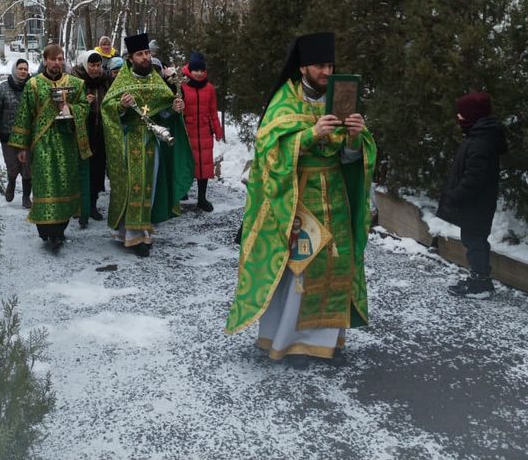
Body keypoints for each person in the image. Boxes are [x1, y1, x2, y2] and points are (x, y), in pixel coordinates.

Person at [226, 32, 376, 363]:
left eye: (331, 65)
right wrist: (310, 134)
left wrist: (355, 138)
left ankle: (325, 342)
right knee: (299, 270)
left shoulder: (341, 98)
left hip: (335, 195)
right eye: (320, 66)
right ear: (304, 67)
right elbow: (268, 152)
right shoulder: (285, 100)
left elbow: (350, 157)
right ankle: (289, 341)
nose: (327, 72)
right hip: (297, 198)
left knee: (336, 263)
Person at [101, 33, 194, 257]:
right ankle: (132, 235)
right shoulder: (123, 81)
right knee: (133, 187)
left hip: (152, 142)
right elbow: (107, 108)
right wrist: (121, 106)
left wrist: (174, 109)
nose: (145, 58)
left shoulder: (156, 80)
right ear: (131, 58)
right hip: (129, 140)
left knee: (149, 186)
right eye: (140, 54)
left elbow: (163, 112)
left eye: (147, 53)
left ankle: (143, 229)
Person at [9, 44, 92, 249]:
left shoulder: (75, 84)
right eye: (53, 59)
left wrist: (69, 108)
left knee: (64, 184)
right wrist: (22, 147)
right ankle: (46, 232)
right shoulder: (33, 84)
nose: (57, 63)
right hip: (42, 142)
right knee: (46, 185)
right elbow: (24, 116)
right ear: (45, 60)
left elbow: (84, 108)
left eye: (60, 59)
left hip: (67, 143)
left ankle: (59, 231)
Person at [438, 91, 508, 299]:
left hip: (476, 204)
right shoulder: (478, 136)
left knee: (474, 240)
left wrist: (455, 195)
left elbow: (474, 177)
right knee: (473, 239)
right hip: (476, 203)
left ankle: (480, 283)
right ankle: (479, 278)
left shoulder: (481, 142)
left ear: (473, 115)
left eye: (462, 113)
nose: (458, 117)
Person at [180, 51, 224, 213]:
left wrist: (218, 130)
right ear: (189, 70)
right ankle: (182, 191)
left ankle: (202, 198)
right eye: (195, 70)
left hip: (205, 132)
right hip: (188, 131)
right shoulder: (182, 86)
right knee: (186, 164)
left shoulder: (209, 88)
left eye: (201, 70)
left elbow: (213, 111)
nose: (199, 73)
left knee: (204, 166)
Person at [0, 58, 33, 209]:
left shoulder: (32, 87)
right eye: (20, 68)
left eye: (25, 69)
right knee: (12, 166)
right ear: (14, 69)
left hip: (28, 136)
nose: (23, 71)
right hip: (8, 136)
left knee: (27, 168)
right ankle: (11, 182)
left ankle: (26, 197)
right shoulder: (3, 88)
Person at [73, 49, 112, 227]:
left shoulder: (106, 80)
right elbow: (67, 104)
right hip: (81, 134)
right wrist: (83, 103)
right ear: (85, 65)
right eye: (92, 65)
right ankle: (80, 206)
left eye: (98, 65)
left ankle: (93, 205)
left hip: (101, 134)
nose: (96, 69)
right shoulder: (76, 80)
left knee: (97, 171)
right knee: (81, 171)